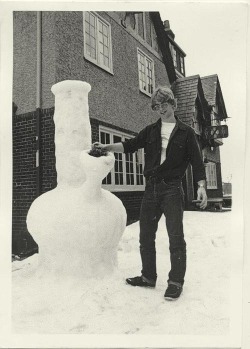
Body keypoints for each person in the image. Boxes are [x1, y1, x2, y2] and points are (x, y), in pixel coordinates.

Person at [93, 86, 207, 300]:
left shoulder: (186, 132)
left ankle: (175, 281)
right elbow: (130, 145)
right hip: (151, 188)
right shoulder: (151, 131)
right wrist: (107, 147)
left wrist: (201, 186)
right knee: (146, 235)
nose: (160, 109)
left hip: (172, 188)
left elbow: (197, 162)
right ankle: (148, 277)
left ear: (172, 104)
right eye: (156, 106)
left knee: (176, 237)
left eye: (164, 104)